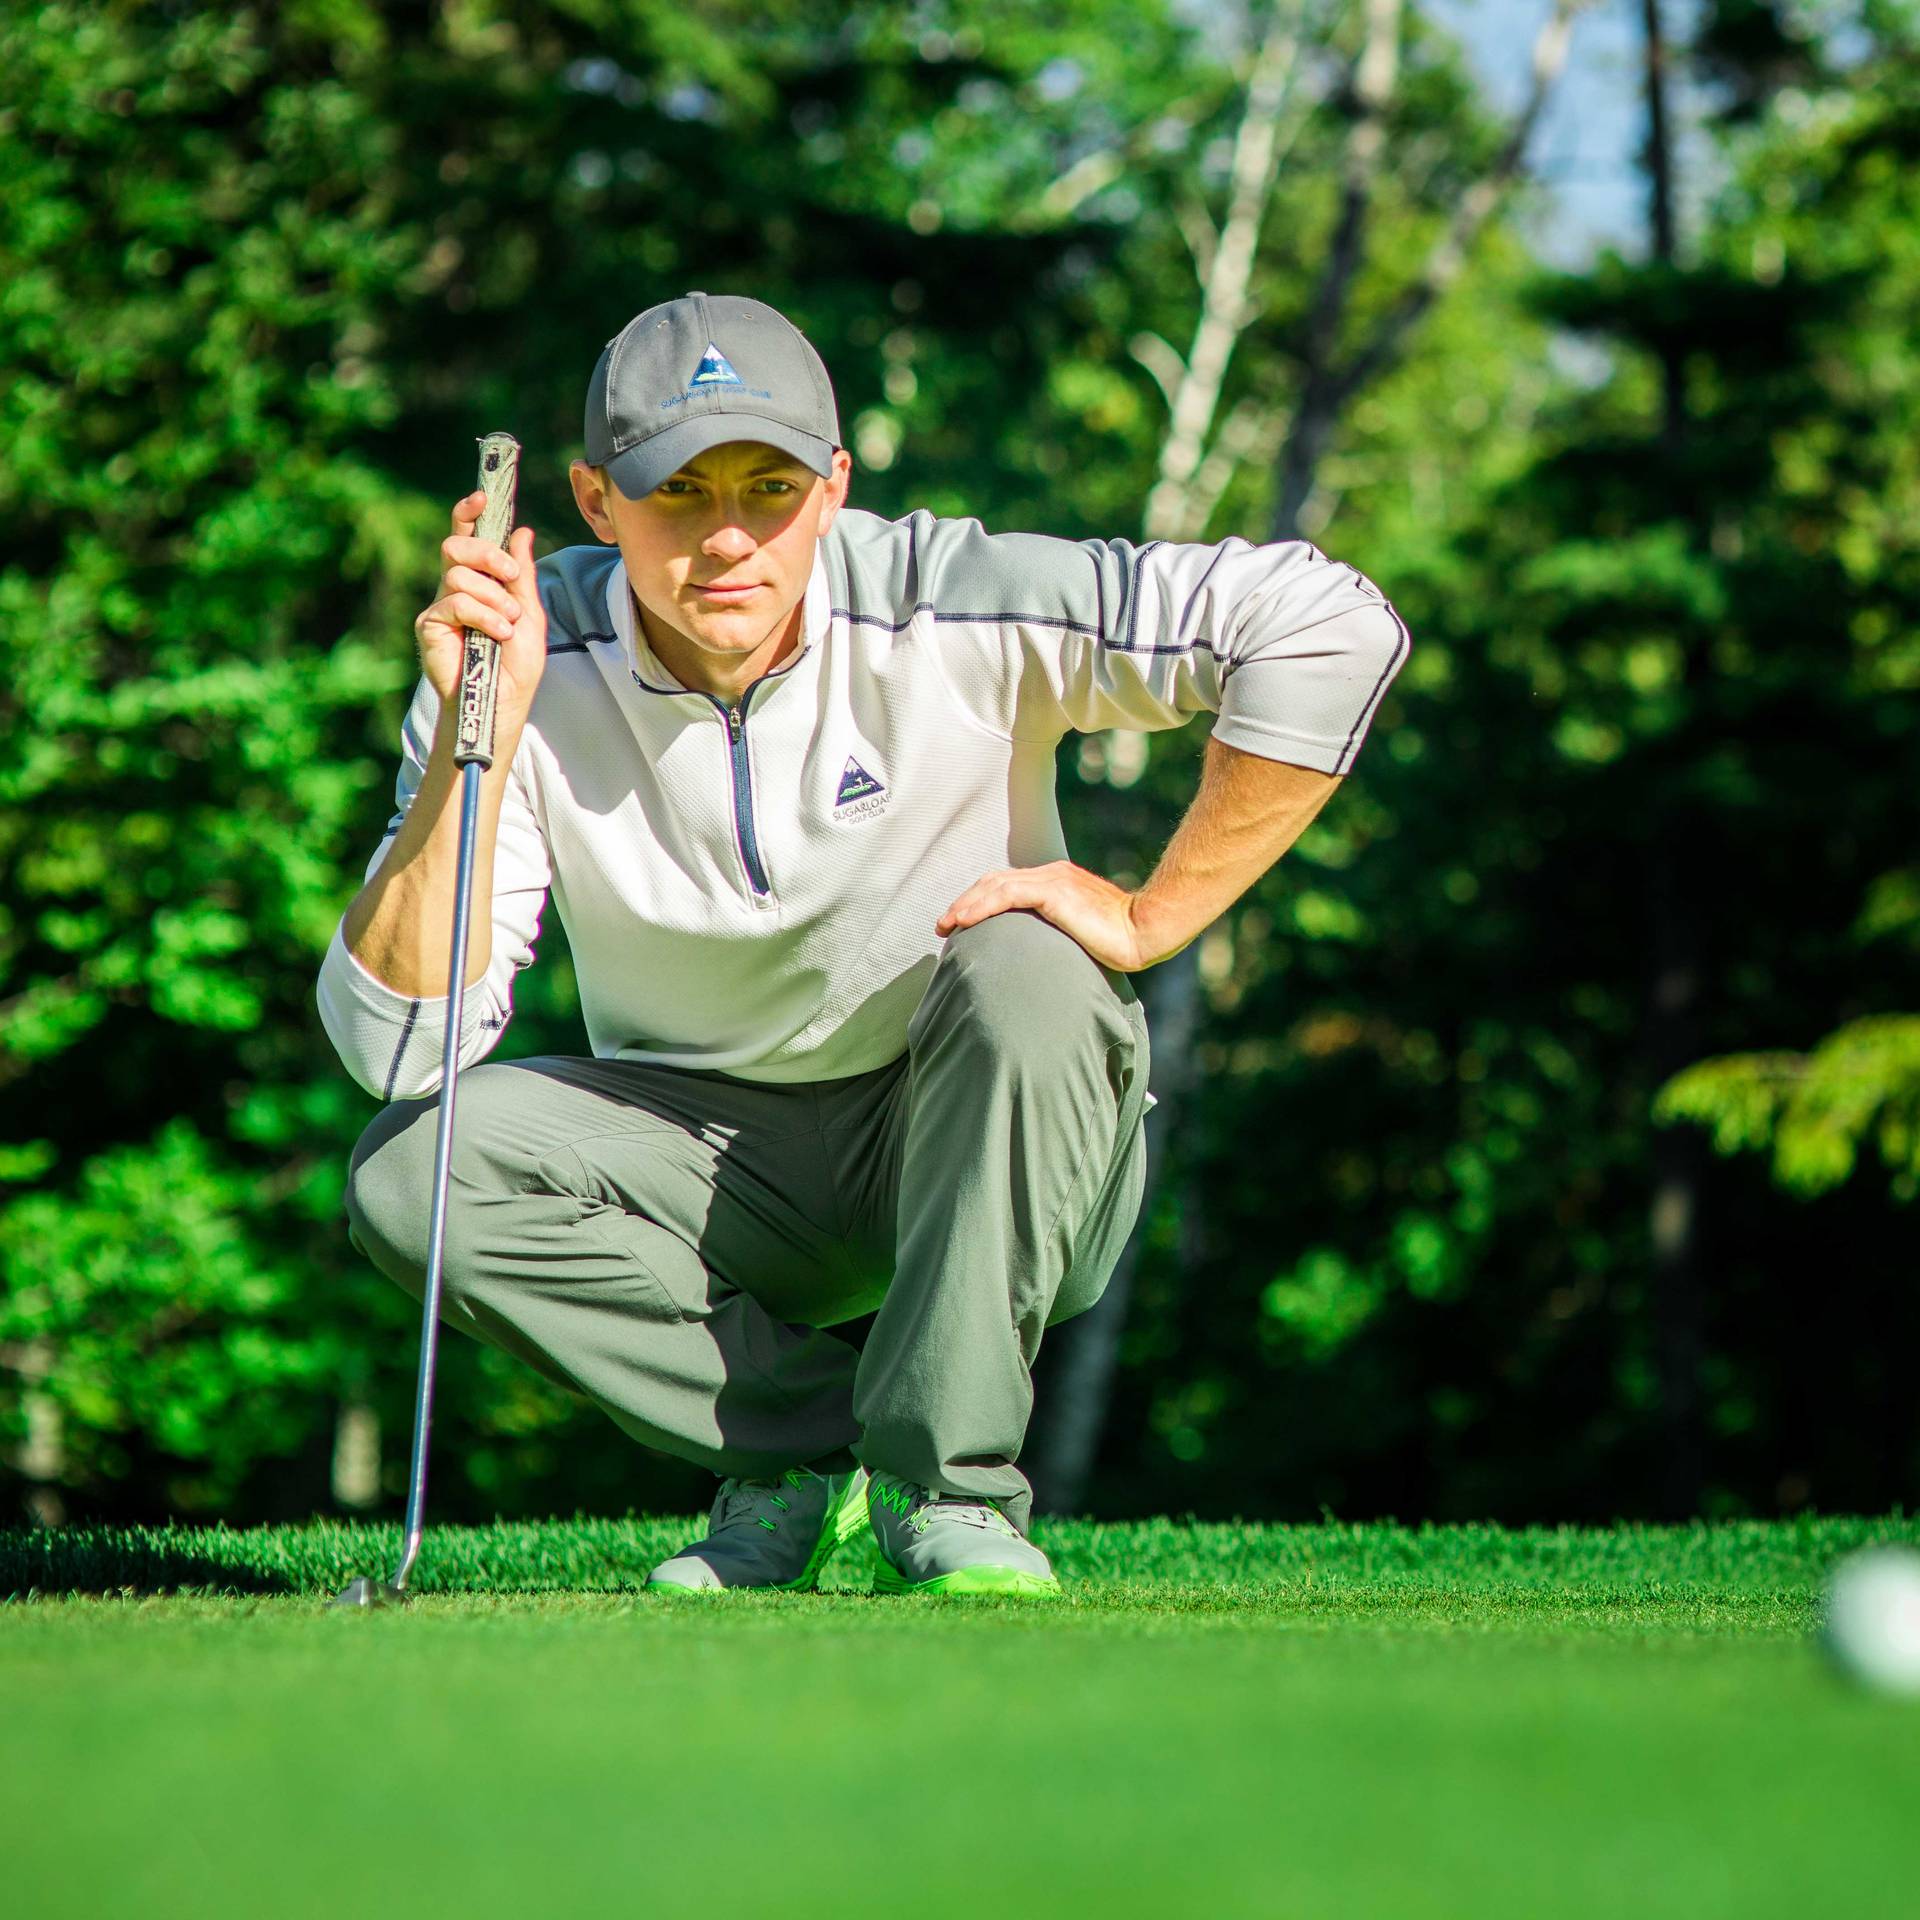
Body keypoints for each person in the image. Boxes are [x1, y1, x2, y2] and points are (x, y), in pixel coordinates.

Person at [319, 290, 1408, 1597]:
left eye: (767, 488)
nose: (727, 539)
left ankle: (944, 1494)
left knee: (1035, 965)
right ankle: (806, 1455)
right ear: (597, 500)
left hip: (985, 1145)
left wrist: (1152, 917)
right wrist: (465, 738)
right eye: (678, 493)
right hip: (714, 1176)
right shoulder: (521, 661)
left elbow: (1329, 624)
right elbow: (400, 1048)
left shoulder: (946, 596)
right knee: (410, 1172)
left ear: (832, 487)